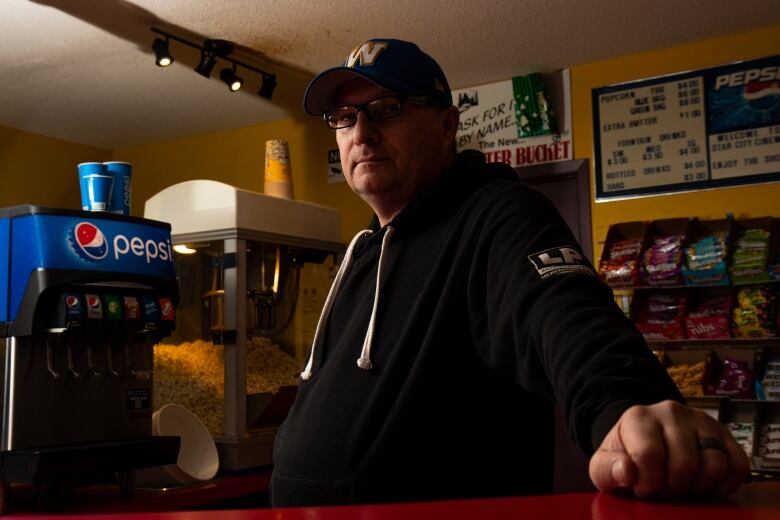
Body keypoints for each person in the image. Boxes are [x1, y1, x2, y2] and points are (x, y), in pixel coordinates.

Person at [270, 38, 749, 507]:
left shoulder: (498, 216)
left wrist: (627, 410)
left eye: (388, 107)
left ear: (446, 125)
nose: (362, 132)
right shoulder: (363, 249)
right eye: (345, 118)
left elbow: (564, 314)